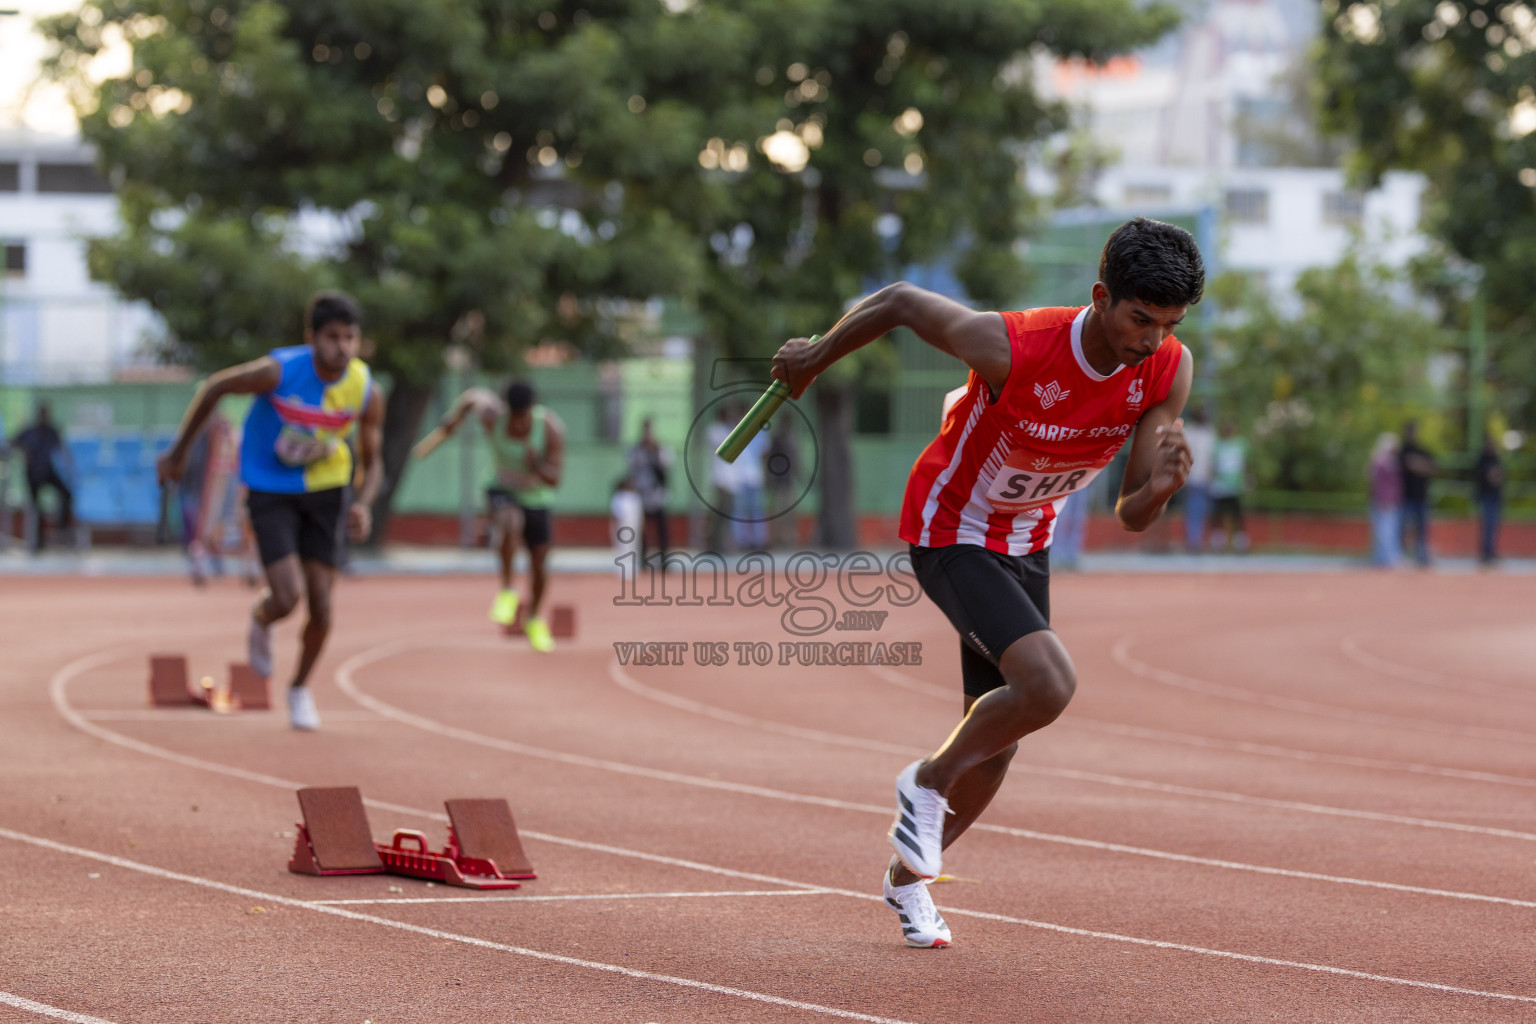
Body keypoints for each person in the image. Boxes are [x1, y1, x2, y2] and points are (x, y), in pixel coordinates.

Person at [771, 216, 1200, 948]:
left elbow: (1129, 515)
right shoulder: (1019, 345)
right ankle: (927, 782)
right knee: (1048, 686)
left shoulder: (1166, 369)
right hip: (952, 530)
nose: (1151, 339)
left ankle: (909, 885)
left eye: (1169, 323)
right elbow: (902, 300)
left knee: (998, 740)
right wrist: (816, 356)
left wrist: (1159, 490)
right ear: (1102, 297)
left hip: (1027, 540)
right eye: (1139, 319)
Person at [157, 291, 385, 731]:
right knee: (287, 596)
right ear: (312, 338)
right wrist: (179, 452)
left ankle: (299, 688)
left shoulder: (365, 391)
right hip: (269, 486)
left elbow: (375, 464)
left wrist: (364, 503)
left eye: (351, 338)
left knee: (321, 606)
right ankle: (262, 618)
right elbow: (216, 386)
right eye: (333, 337)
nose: (343, 347)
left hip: (327, 488)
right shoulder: (278, 371)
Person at [412, 379, 565, 652]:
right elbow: (472, 396)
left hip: (537, 496)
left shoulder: (551, 429)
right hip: (501, 488)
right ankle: (507, 590)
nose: (518, 425)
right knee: (510, 521)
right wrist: (453, 419)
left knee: (540, 559)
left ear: (533, 410)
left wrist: (536, 465)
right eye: (513, 418)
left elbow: (554, 480)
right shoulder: (493, 418)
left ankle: (534, 618)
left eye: (523, 418)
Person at [10, 403, 74, 552]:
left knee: (66, 492)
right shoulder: (28, 431)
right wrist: (23, 451)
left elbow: (62, 449)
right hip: (32, 474)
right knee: (36, 507)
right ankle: (38, 541)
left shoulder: (52, 431)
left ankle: (62, 528)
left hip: (48, 472)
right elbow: (13, 442)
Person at [626, 418, 672, 567]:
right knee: (642, 530)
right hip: (642, 495)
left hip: (657, 494)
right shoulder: (636, 450)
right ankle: (643, 560)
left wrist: (655, 452)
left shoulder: (660, 449)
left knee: (662, 530)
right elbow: (632, 469)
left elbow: (666, 469)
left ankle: (664, 561)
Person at [1208, 419, 1249, 553]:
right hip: (1220, 485)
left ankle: (1240, 540)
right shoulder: (1218, 445)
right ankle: (1218, 539)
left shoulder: (1241, 444)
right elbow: (1214, 464)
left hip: (1236, 485)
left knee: (1237, 512)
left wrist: (1247, 479)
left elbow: (1245, 463)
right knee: (1219, 512)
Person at [1398, 420, 1436, 566]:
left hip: (1422, 497)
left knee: (1422, 529)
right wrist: (1421, 466)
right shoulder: (1403, 451)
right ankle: (1402, 555)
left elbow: (1434, 468)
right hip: (1405, 497)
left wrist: (1417, 464)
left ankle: (1422, 556)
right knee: (1403, 529)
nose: (1412, 435)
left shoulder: (1423, 451)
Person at [704, 405, 739, 552]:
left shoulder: (727, 430)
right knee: (718, 515)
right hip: (720, 480)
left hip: (731, 482)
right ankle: (713, 544)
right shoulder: (715, 430)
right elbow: (725, 445)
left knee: (727, 516)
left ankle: (722, 544)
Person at [731, 423, 771, 550]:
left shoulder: (758, 432)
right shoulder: (735, 431)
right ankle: (742, 541)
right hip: (740, 478)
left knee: (757, 511)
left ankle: (759, 541)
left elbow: (765, 451)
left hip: (755, 478)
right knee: (740, 511)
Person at [1182, 408, 1216, 552]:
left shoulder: (1209, 433)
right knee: (1193, 511)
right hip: (1192, 478)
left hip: (1205, 479)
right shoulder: (1190, 432)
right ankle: (1193, 542)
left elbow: (1213, 458)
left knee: (1202, 511)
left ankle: (1197, 541)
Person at [1366, 432, 1402, 568]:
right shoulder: (1383, 461)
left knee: (1386, 531)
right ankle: (1385, 558)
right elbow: (1374, 481)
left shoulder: (1384, 461)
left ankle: (1385, 558)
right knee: (1385, 531)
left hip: (1386, 500)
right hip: (1384, 501)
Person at [1473, 434, 1504, 565]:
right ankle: (1485, 553)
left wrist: (1495, 475)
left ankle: (1492, 551)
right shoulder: (1482, 460)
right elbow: (1487, 476)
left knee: (1494, 526)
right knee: (1486, 525)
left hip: (1496, 496)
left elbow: (1500, 476)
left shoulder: (1496, 459)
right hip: (1485, 496)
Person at [610, 475, 644, 571]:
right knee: (622, 545)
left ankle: (633, 564)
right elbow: (616, 513)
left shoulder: (636, 497)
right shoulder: (619, 497)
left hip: (634, 525)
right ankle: (621, 565)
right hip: (622, 526)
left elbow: (639, 514)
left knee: (634, 544)